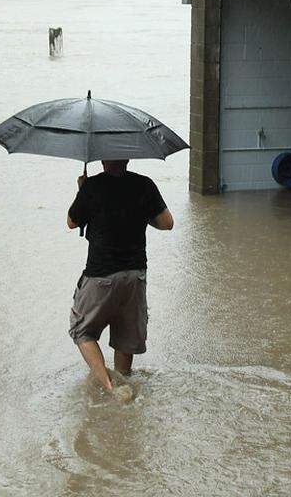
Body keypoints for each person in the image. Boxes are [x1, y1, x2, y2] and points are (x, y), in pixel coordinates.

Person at [66, 159, 174, 401]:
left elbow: (72, 222)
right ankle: (124, 381)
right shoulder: (144, 184)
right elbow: (167, 223)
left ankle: (111, 387)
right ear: (128, 157)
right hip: (135, 275)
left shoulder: (92, 186)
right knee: (125, 339)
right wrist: (138, 213)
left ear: (103, 160)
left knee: (82, 330)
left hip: (101, 275)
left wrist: (82, 189)